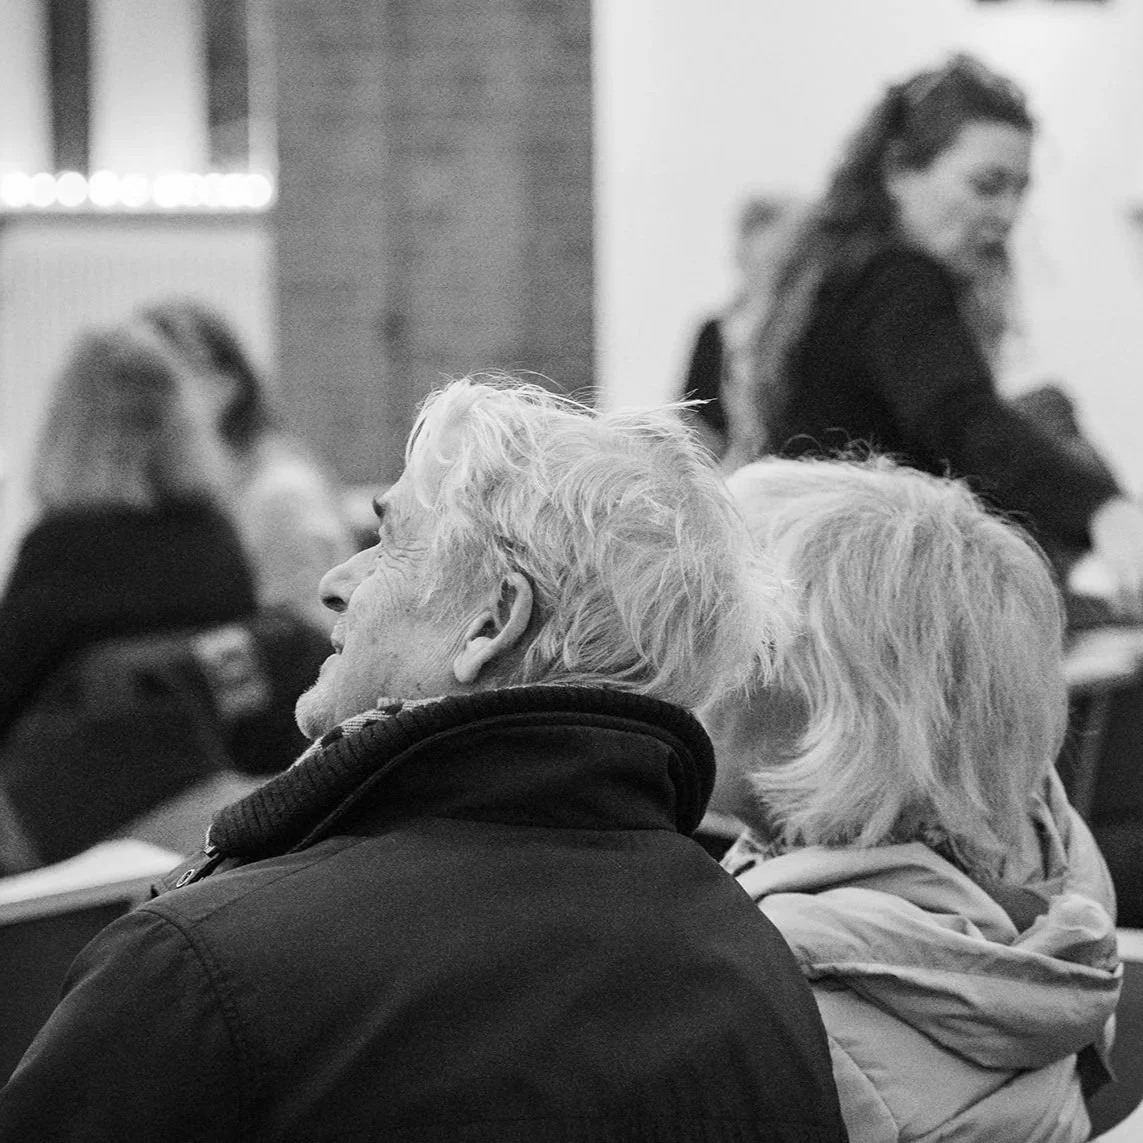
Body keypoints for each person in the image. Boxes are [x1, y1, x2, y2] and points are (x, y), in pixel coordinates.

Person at [0, 377, 849, 1143]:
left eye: (390, 537)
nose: (337, 578)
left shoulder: (206, 973)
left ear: (490, 623)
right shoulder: (749, 962)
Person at [701, 455, 1122, 1143]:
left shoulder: (787, 1011)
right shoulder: (1041, 865)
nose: (661, 663)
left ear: (830, 708)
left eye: (704, 632)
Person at [728, 53, 1143, 619]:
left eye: (1019, 190)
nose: (1007, 214)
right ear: (900, 171)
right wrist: (1105, 513)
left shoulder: (842, 272)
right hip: (852, 606)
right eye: (986, 185)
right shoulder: (897, 277)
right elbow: (961, 416)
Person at [0, 324, 263, 870]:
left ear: (68, 427)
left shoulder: (61, 548)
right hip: (203, 805)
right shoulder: (216, 539)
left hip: (63, 824)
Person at [140, 298, 356, 634]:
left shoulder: (279, 494)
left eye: (163, 386)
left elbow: (308, 640)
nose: (144, 411)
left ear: (226, 386)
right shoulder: (209, 489)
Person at [680, 194, 806, 458]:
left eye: (782, 266)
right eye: (763, 262)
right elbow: (694, 419)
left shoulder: (808, 335)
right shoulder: (715, 333)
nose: (770, 276)